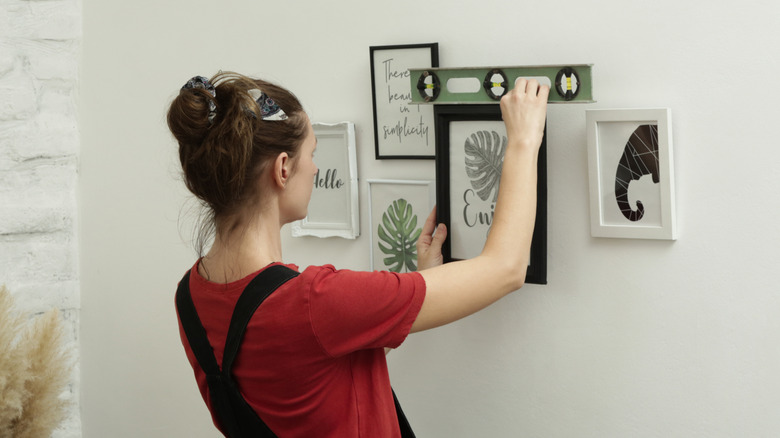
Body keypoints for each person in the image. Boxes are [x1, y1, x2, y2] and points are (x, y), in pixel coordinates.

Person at [167, 71, 548, 438]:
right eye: (312, 153)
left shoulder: (190, 296)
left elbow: (311, 364)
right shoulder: (315, 302)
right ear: (283, 169)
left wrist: (422, 281)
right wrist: (523, 139)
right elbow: (507, 268)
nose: (316, 168)